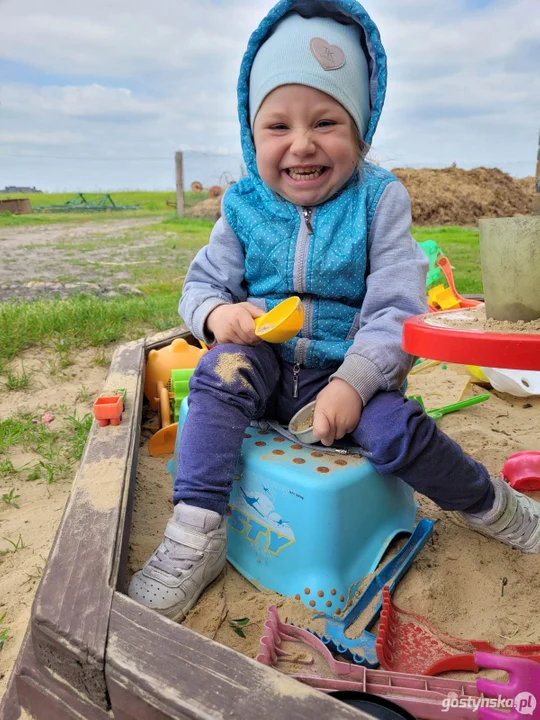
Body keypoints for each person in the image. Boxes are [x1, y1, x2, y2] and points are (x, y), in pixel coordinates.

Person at [129, 0, 540, 621]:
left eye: (325, 121)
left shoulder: (380, 200)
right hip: (265, 365)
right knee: (219, 375)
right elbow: (200, 285)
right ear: (251, 132)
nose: (301, 144)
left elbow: (398, 306)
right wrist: (217, 317)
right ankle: (196, 531)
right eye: (277, 126)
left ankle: (491, 506)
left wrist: (355, 380)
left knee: (399, 433)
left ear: (359, 128)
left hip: (349, 373)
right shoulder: (243, 205)